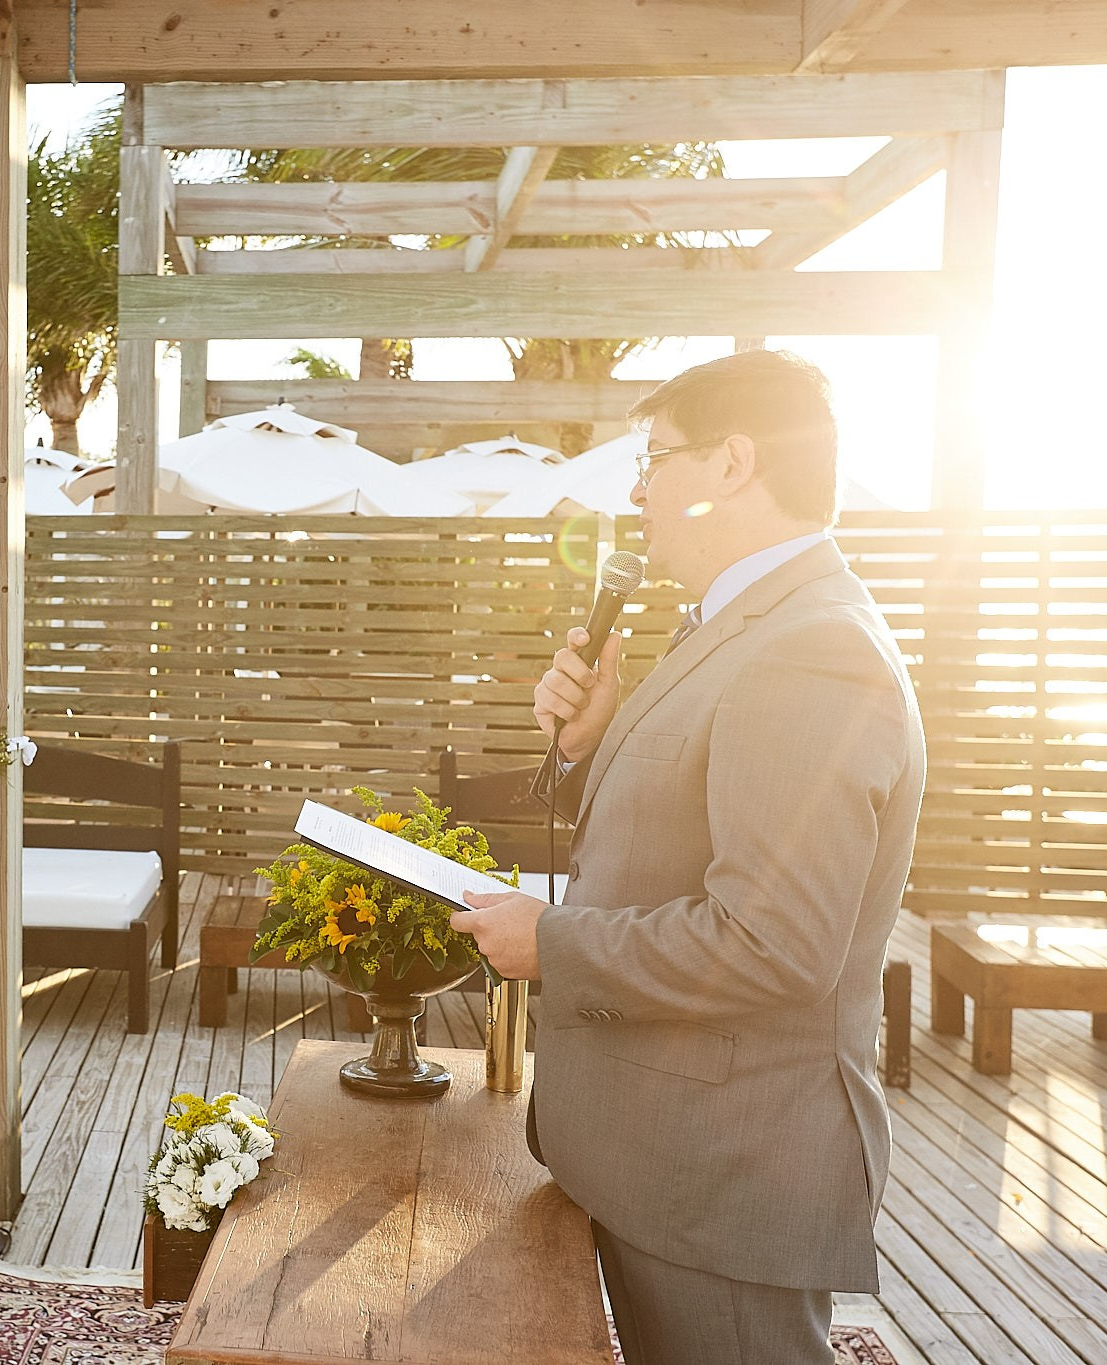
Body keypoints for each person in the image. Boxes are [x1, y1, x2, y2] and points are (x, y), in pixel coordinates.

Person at [450, 350, 926, 1365]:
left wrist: (551, 944)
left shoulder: (811, 649)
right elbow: (683, 827)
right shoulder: (739, 624)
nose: (636, 491)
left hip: (724, 1170)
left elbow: (770, 941)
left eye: (654, 459)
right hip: (661, 1150)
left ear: (732, 462)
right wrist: (587, 748)